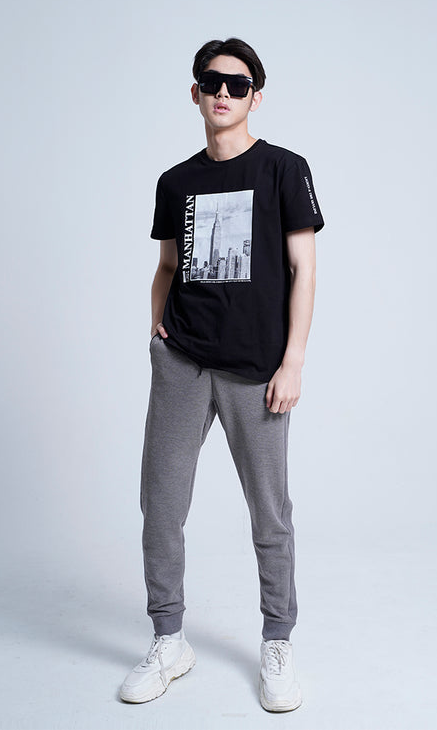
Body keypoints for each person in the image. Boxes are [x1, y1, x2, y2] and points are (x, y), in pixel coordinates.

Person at [120, 37, 324, 713]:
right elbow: (166, 267)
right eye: (212, 83)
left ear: (255, 96)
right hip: (182, 362)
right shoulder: (175, 181)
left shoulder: (283, 169)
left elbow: (303, 269)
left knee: (269, 512)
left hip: (256, 370)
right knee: (160, 506)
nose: (223, 94)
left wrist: (293, 360)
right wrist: (157, 329)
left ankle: (277, 642)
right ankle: (168, 639)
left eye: (237, 84)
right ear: (195, 93)